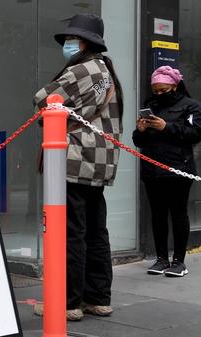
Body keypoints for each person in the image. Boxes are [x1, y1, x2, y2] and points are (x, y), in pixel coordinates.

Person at [33, 14, 124, 320]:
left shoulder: (82, 68)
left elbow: (42, 98)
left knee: (70, 231)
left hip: (74, 157)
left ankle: (67, 302)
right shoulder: (108, 70)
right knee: (96, 232)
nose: (68, 43)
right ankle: (97, 298)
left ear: (86, 42)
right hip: (102, 161)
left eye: (73, 39)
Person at [133, 66, 201, 277]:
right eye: (156, 90)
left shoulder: (191, 106)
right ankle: (161, 258)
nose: (159, 94)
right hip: (152, 168)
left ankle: (179, 261)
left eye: (164, 90)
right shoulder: (150, 105)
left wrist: (167, 127)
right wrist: (140, 131)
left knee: (178, 213)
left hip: (178, 168)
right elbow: (138, 141)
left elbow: (195, 133)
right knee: (158, 214)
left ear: (174, 86)